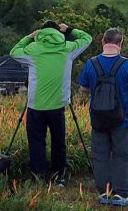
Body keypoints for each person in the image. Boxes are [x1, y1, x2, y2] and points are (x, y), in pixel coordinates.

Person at [10, 20, 92, 186]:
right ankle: (58, 176)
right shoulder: (67, 48)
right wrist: (69, 29)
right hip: (58, 105)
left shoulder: (32, 49)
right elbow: (87, 38)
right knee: (58, 142)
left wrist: (29, 37)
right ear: (58, 32)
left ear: (41, 32)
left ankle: (39, 177)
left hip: (35, 106)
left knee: (36, 142)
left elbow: (13, 52)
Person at [77, 28, 128, 207]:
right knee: (121, 155)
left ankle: (104, 193)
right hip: (121, 119)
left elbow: (83, 88)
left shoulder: (92, 63)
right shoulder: (127, 64)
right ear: (120, 44)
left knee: (100, 155)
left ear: (103, 42)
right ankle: (121, 194)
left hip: (98, 118)